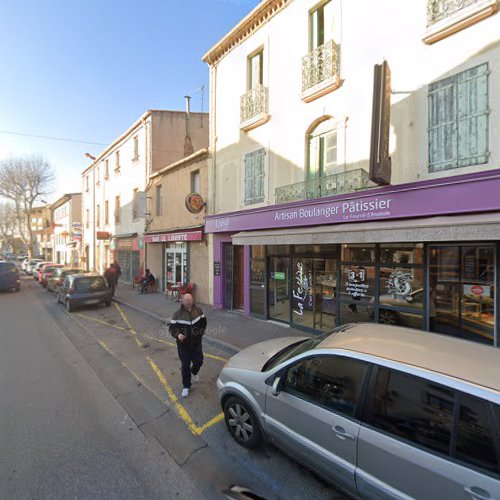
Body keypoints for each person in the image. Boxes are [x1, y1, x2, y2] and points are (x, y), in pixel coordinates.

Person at [169, 293, 207, 398]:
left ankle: (194, 371)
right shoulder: (177, 314)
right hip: (183, 345)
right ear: (182, 301)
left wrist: (200, 333)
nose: (188, 302)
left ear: (192, 300)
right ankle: (186, 386)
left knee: (199, 360)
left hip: (196, 343)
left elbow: (204, 323)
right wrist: (178, 335)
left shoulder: (198, 310)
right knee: (185, 365)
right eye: (186, 300)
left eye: (190, 300)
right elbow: (172, 328)